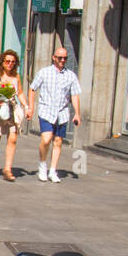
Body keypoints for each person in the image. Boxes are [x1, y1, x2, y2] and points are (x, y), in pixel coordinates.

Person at [27, 40, 81, 183]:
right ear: (53, 58)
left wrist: (77, 113)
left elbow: (75, 95)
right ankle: (42, 165)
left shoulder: (71, 76)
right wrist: (30, 107)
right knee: (46, 139)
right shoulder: (44, 73)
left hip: (62, 113)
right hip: (46, 111)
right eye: (60, 58)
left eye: (65, 58)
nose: (62, 60)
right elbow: (32, 89)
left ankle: (52, 170)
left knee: (58, 142)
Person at [0, 50, 25, 181]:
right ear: (2, 62)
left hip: (11, 110)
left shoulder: (16, 77)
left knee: (13, 138)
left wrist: (27, 106)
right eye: (7, 61)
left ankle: (7, 169)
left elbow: (20, 93)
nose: (10, 64)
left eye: (13, 62)